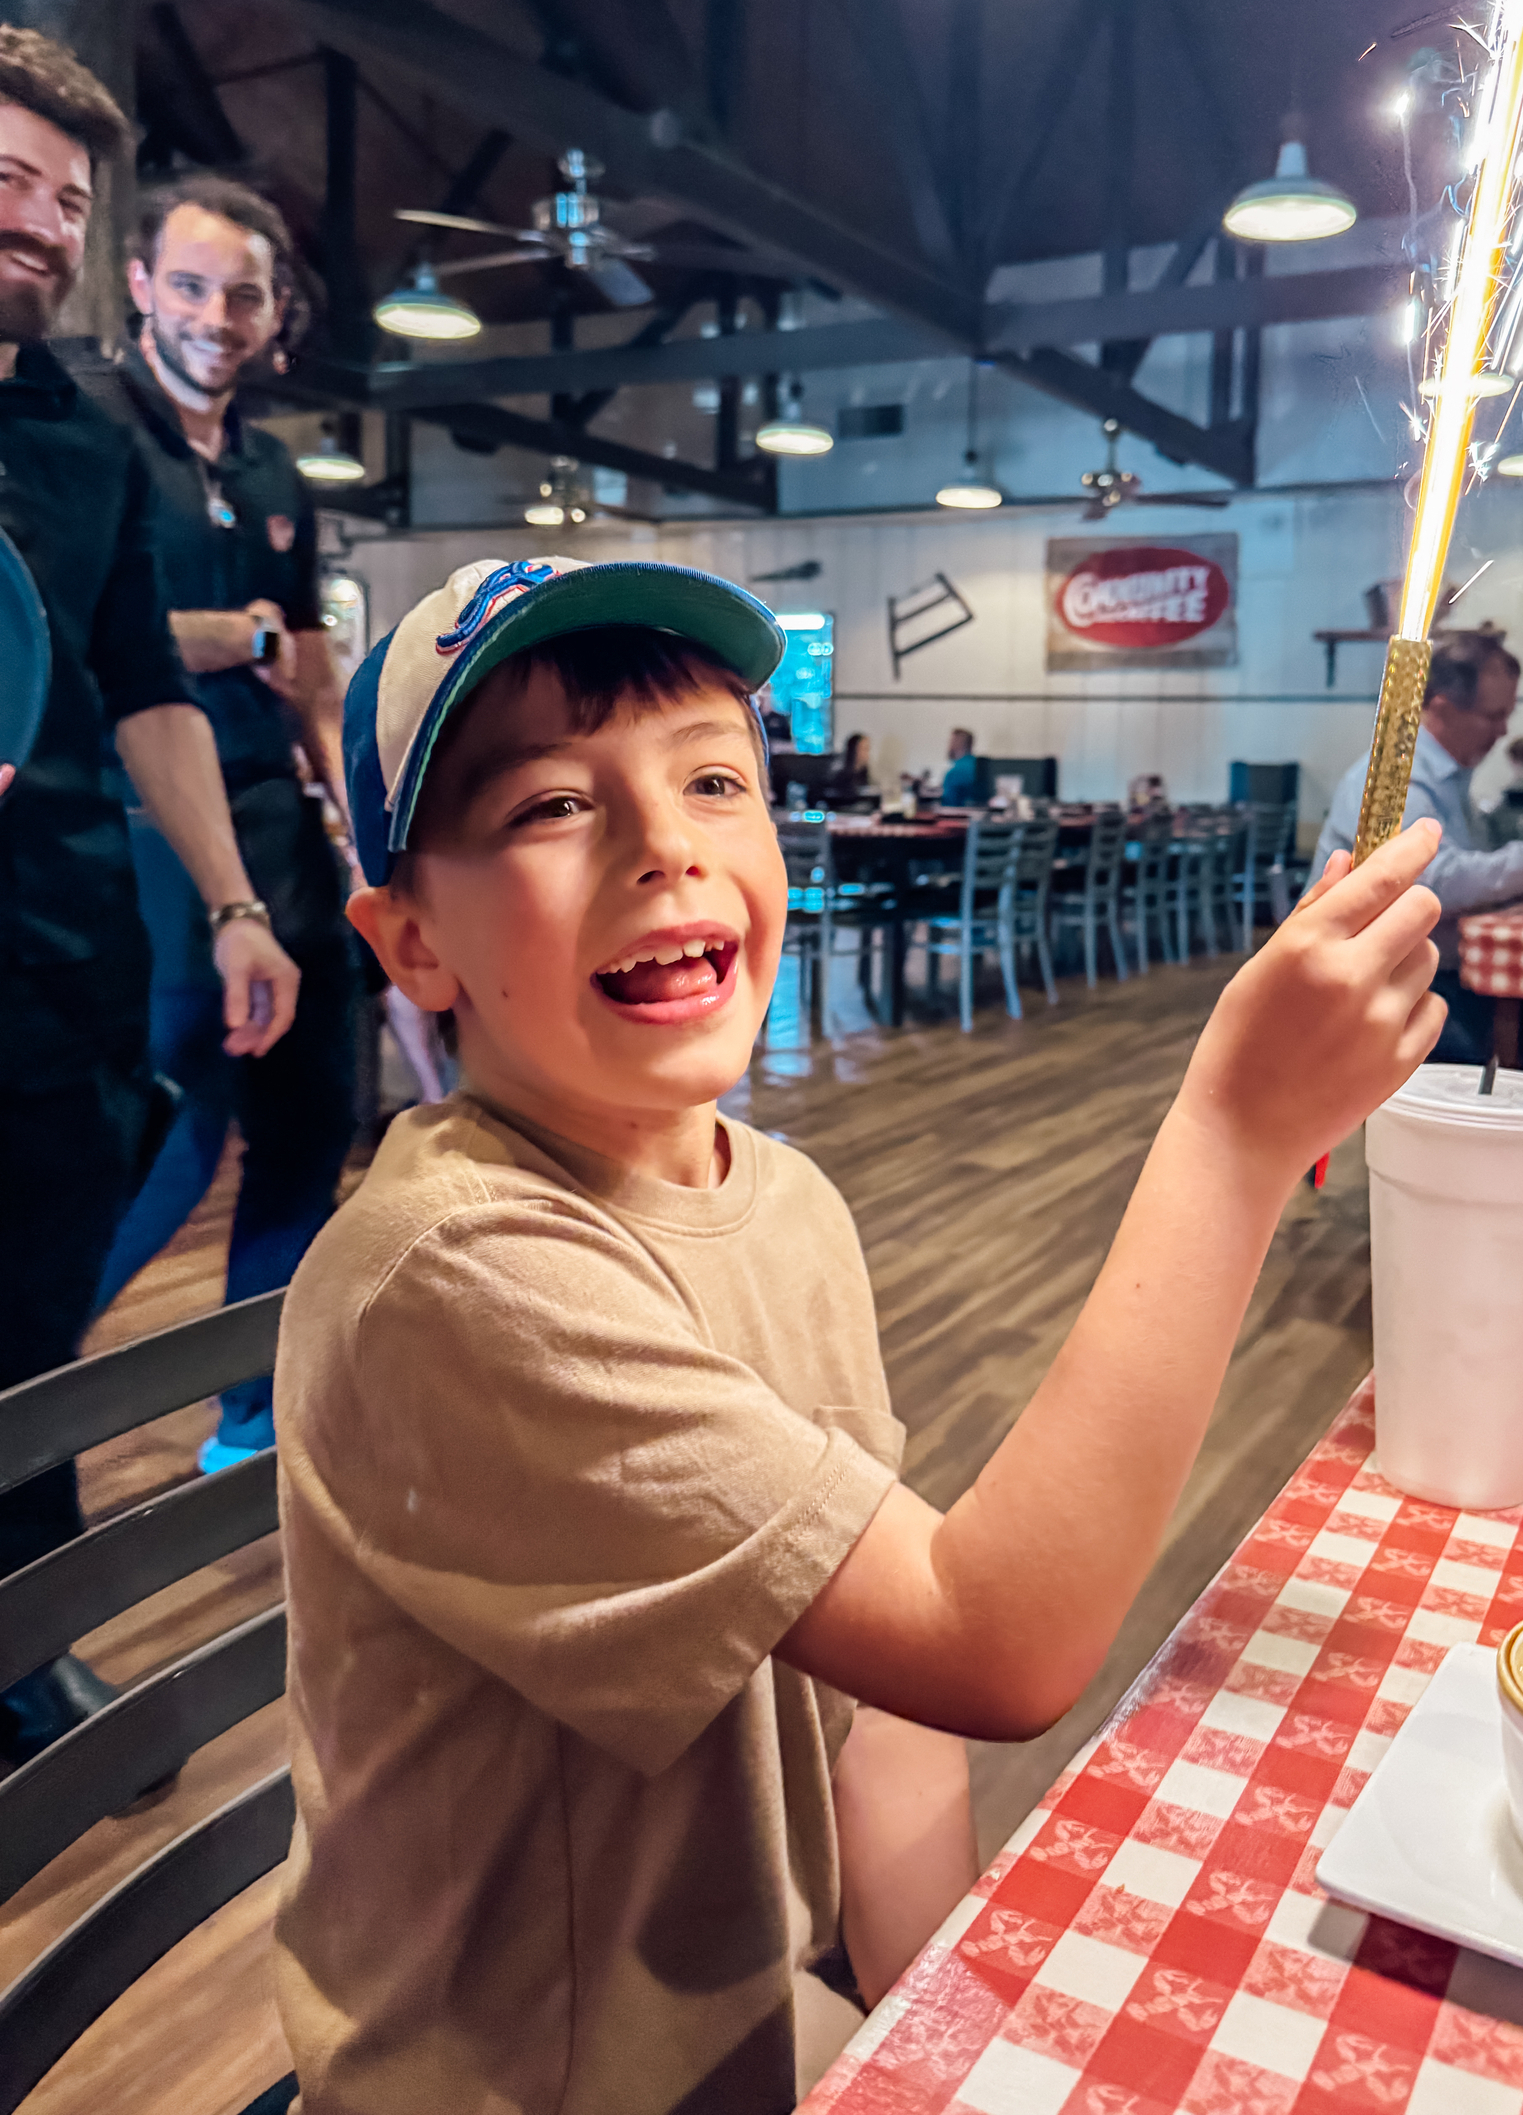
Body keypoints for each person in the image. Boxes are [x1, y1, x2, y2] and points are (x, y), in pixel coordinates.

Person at [273, 553, 1444, 2114]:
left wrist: (943, 2038)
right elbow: (993, 1640)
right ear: (412, 942)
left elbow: (882, 1700)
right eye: (554, 805)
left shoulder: (790, 1203)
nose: (662, 847)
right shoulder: (455, 1275)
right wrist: (1232, 1140)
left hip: (753, 2022)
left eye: (714, 780)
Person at [0, 29, 297, 1766]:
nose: (33, 221)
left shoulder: (83, 441)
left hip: (56, 966)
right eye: (7, 184)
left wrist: (239, 902)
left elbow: (147, 693)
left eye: (59, 194)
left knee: (34, 1337)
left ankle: (18, 1659)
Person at [82, 178, 361, 1472]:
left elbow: (304, 666)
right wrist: (228, 635)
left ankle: (253, 1412)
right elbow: (76, 640)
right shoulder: (81, 432)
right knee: (174, 1128)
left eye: (243, 294)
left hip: (282, 827)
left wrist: (358, 817)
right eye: (191, 287)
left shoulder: (273, 468)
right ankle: (29, 1388)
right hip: (140, 832)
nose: (217, 316)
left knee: (315, 1118)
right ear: (139, 287)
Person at [1309, 633, 1523, 1062]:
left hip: (1423, 973)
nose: (1504, 730)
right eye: (1493, 716)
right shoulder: (1397, 778)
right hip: (1381, 988)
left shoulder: (1447, 779)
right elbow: (1433, 885)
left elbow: (1470, 871)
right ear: (1442, 708)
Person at [820, 729, 871, 806]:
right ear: (855, 750)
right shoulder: (841, 774)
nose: (868, 753)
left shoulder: (862, 771)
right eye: (865, 749)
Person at [939, 724, 978, 807]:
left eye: (950, 742)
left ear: (956, 743)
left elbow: (949, 806)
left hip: (958, 817)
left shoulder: (953, 773)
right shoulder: (980, 767)